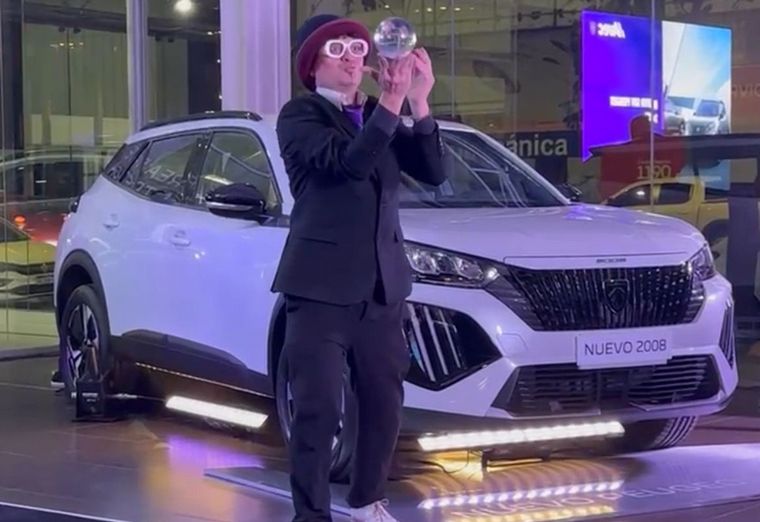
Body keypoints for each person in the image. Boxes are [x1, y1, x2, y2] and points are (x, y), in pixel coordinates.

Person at [272, 13, 447, 522]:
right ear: (313, 66)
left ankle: (368, 501)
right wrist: (391, 104)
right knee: (319, 407)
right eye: (337, 50)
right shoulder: (299, 116)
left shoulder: (377, 111)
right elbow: (349, 164)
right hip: (320, 287)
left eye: (356, 48)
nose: (351, 59)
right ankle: (311, 514)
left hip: (381, 287)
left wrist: (418, 102)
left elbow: (434, 172)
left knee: (383, 403)